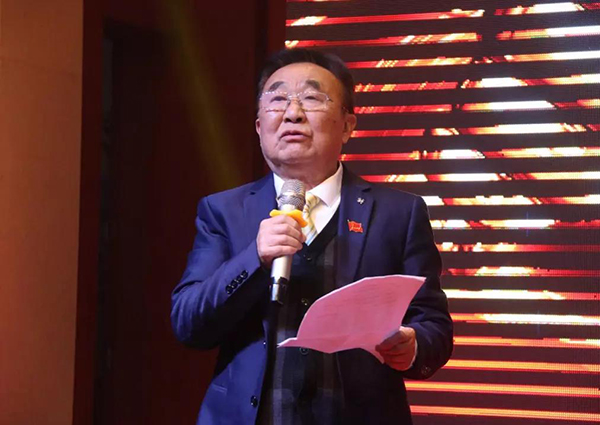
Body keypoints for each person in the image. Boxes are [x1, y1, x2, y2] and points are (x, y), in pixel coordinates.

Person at [171, 48, 453, 425]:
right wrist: (254, 258)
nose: (292, 113)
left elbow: (434, 325)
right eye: (277, 100)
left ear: (348, 126)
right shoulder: (223, 210)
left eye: (312, 98)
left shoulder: (398, 213)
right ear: (259, 127)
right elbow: (189, 322)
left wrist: (413, 344)